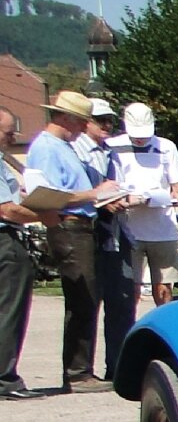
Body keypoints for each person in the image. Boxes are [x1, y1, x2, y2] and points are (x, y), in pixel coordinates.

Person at [24, 91, 114, 392]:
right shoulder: (48, 148)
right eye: (80, 122)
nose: (82, 129)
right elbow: (48, 195)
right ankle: (77, 372)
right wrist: (94, 193)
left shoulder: (62, 146)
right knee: (82, 296)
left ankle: (80, 369)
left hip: (79, 225)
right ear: (66, 119)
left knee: (87, 295)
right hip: (69, 226)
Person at [77, 99, 140, 376]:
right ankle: (80, 370)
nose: (106, 125)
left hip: (117, 230)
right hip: (90, 229)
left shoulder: (110, 152)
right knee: (87, 301)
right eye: (100, 119)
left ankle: (119, 366)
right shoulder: (76, 150)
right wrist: (102, 200)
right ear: (84, 121)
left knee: (123, 300)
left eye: (110, 120)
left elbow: (118, 185)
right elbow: (75, 192)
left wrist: (125, 197)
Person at [110, 104, 178, 309]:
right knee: (130, 288)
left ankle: (165, 328)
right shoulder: (112, 146)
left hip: (162, 228)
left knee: (163, 287)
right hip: (129, 228)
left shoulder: (166, 146)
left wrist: (177, 195)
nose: (140, 139)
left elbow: (177, 183)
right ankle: (129, 331)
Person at [0, 108, 52, 399]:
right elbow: (6, 208)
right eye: (8, 132)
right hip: (4, 241)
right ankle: (5, 379)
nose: (12, 138)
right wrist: (41, 215)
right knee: (9, 310)